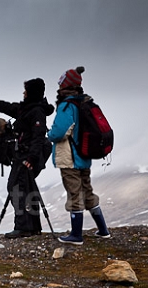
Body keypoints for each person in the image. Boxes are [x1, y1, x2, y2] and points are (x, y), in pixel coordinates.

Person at [0, 78, 54, 238]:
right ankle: (33, 227)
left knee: (16, 187)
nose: (23, 93)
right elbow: (5, 107)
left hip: (27, 157)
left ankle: (23, 227)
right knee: (27, 188)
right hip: (24, 155)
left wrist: (30, 158)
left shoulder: (36, 112)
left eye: (26, 90)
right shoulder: (26, 109)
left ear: (32, 93)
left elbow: (38, 136)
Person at [47, 66, 110, 245]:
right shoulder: (84, 102)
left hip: (69, 157)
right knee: (87, 191)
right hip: (84, 155)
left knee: (74, 193)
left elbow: (59, 132)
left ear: (65, 85)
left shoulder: (67, 105)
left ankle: (76, 235)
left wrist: (49, 135)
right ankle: (103, 230)